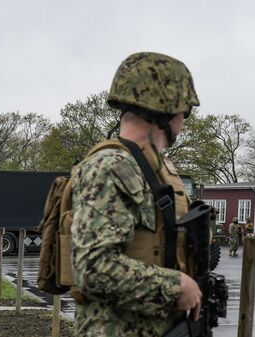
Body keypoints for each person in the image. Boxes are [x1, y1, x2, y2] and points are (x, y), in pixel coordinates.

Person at [70, 52, 203, 336]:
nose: (183, 119)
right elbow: (93, 268)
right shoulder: (109, 168)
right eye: (184, 111)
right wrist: (175, 286)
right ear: (164, 111)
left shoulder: (155, 170)